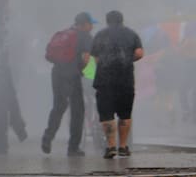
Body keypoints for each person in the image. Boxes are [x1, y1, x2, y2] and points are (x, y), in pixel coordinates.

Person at [41, 12, 96, 157]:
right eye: (90, 24)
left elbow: (49, 55)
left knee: (59, 106)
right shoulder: (85, 36)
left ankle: (48, 136)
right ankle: (73, 148)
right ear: (84, 24)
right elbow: (86, 58)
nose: (92, 27)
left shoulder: (64, 33)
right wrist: (87, 73)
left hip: (57, 73)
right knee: (78, 111)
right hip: (72, 75)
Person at [90, 10, 144, 159]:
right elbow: (139, 53)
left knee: (107, 115)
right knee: (125, 114)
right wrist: (127, 60)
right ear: (122, 20)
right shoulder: (132, 34)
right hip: (125, 80)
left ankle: (111, 146)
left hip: (104, 81)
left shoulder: (100, 35)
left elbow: (94, 58)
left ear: (107, 21)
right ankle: (123, 147)